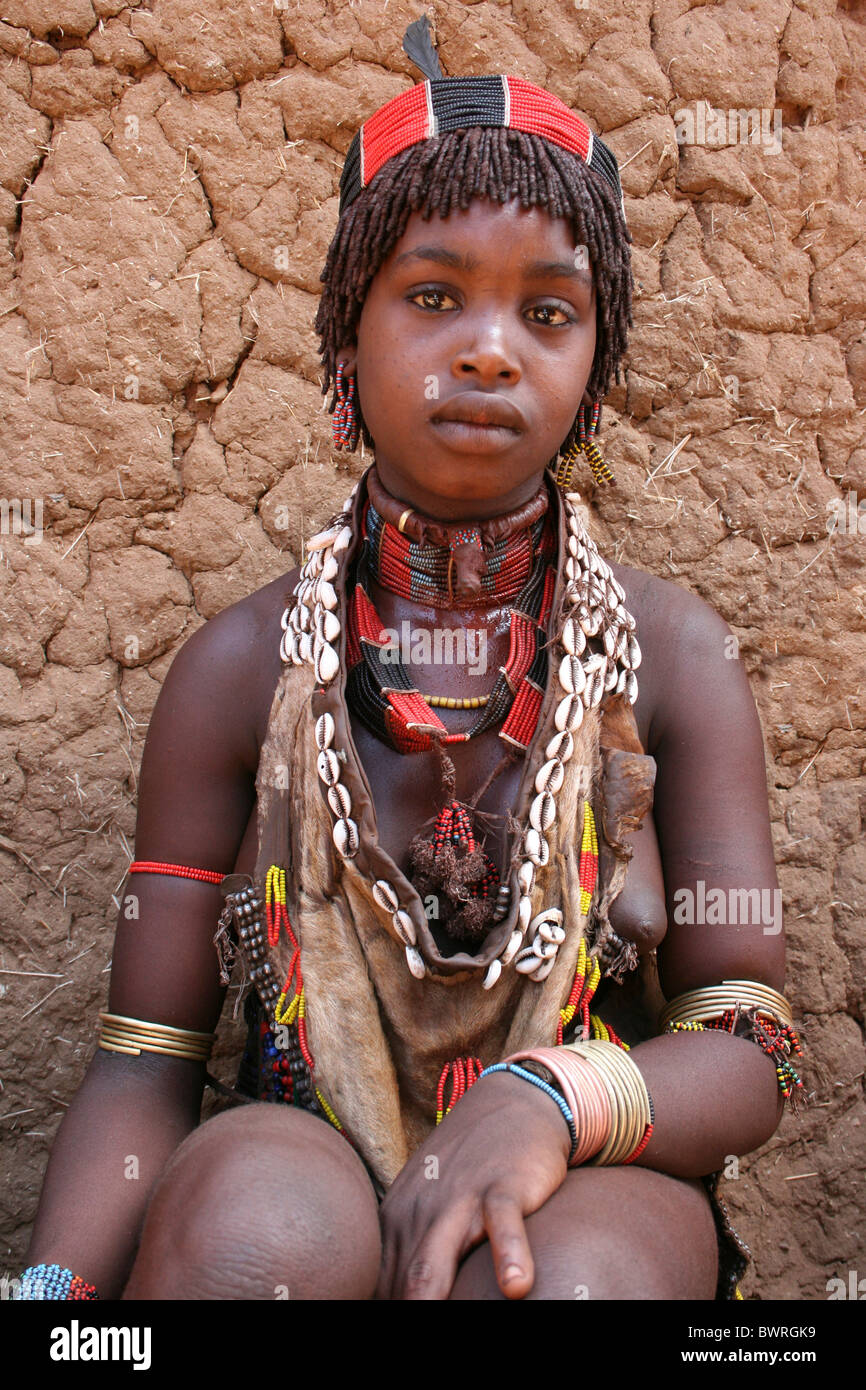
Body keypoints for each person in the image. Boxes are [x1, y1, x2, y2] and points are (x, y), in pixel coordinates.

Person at [16, 17, 802, 1303]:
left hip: (586, 1177)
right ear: (346, 338)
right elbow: (146, 1055)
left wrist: (544, 1098)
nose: (489, 347)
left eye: (547, 310)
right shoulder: (238, 671)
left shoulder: (669, 660)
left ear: (592, 366)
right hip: (302, 1155)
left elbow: (753, 1043)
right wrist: (47, 1308)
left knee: (565, 1288)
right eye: (432, 295)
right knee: (248, 1247)